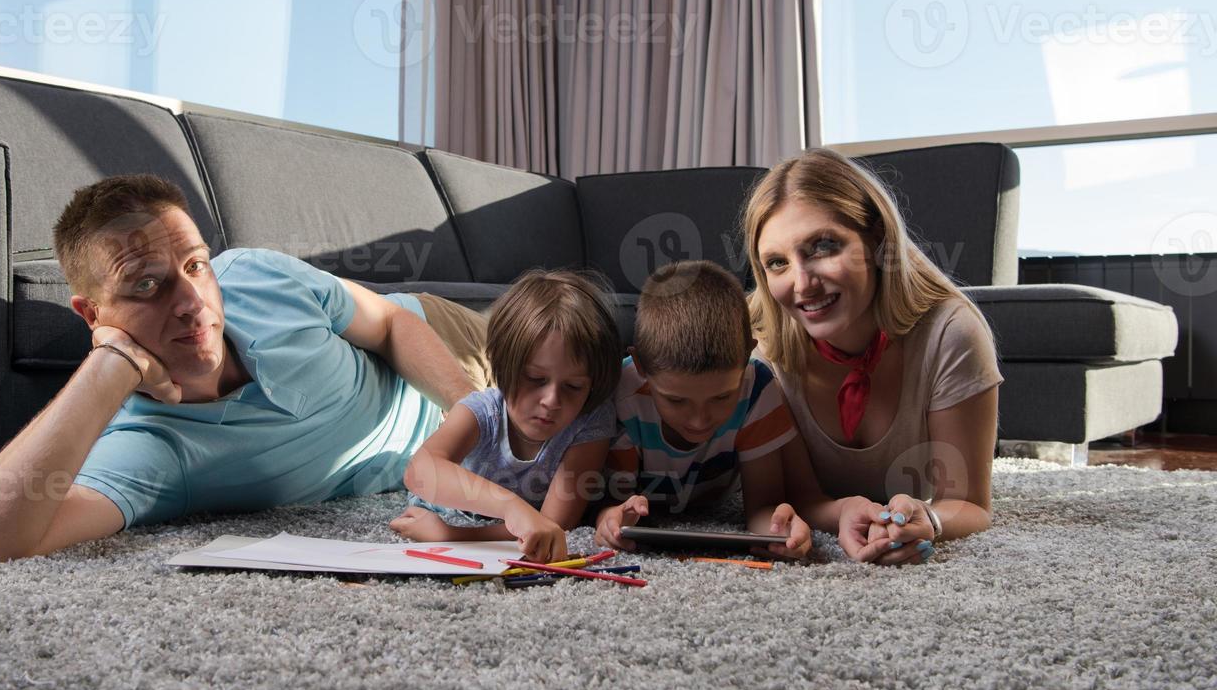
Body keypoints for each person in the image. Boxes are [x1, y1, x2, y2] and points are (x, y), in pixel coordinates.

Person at [0, 175, 486, 566]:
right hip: (431, 454)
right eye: (147, 285)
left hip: (450, 346)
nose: (193, 301)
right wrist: (109, 365)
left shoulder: (259, 274)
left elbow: (391, 321)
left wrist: (478, 418)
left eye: (195, 266)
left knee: (568, 327)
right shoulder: (152, 448)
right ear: (93, 314)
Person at [743, 148, 1003, 566]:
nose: (802, 283)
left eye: (823, 247)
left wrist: (929, 519)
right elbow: (794, 498)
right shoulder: (761, 352)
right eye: (777, 263)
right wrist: (844, 511)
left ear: (878, 242)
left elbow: (968, 502)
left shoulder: (951, 334)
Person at [390, 270, 621, 564]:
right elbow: (419, 472)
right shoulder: (483, 410)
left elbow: (554, 525)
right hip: (454, 509)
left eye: (573, 387)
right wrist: (512, 508)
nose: (551, 401)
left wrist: (451, 536)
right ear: (502, 364)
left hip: (461, 528)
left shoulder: (591, 419)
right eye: (535, 379)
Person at [591, 260, 814, 559]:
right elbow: (613, 502)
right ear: (642, 368)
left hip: (715, 500)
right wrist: (610, 517)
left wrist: (778, 530)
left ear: (747, 356)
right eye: (677, 401)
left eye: (722, 397)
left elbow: (762, 505)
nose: (700, 420)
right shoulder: (622, 395)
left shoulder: (757, 387)